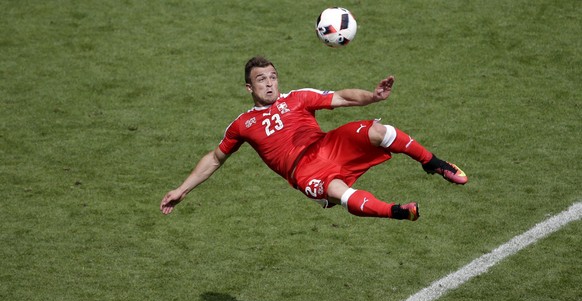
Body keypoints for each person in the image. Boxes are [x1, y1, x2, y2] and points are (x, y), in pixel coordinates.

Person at [160, 56, 467, 221]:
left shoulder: (298, 98)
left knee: (380, 131)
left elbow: (341, 98)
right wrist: (182, 189)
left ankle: (434, 164)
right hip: (303, 170)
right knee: (340, 192)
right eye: (260, 80)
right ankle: (398, 212)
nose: (269, 83)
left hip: (327, 145)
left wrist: (372, 97)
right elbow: (215, 158)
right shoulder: (243, 124)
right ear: (249, 89)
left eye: (272, 76)